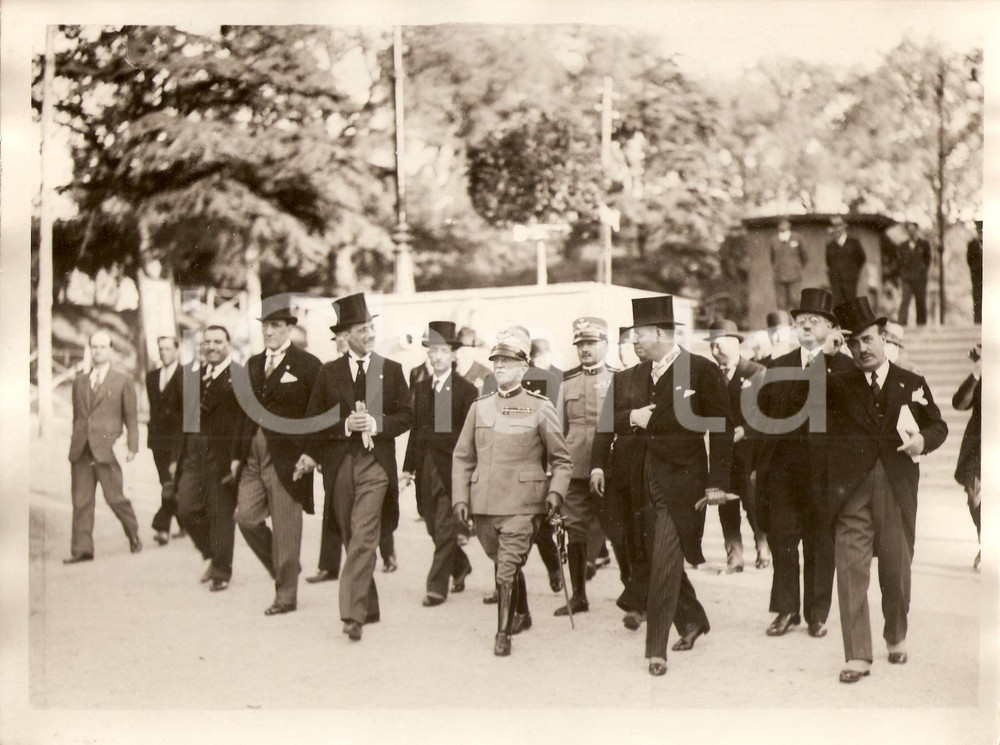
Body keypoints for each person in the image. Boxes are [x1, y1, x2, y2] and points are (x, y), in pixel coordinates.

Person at [608, 295, 733, 676]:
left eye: (639, 334)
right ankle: (693, 620)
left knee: (662, 558)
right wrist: (632, 416)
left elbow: (722, 429)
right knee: (650, 556)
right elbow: (609, 422)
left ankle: (655, 650)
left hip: (682, 484)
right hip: (637, 482)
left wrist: (717, 484)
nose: (634, 342)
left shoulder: (701, 370)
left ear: (662, 333)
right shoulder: (634, 375)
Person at [827, 296, 948, 683]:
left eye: (867, 340)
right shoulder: (836, 384)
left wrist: (922, 442)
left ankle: (895, 635)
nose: (861, 349)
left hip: (895, 490)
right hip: (851, 492)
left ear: (883, 338)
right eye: (853, 343)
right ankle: (857, 655)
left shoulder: (910, 382)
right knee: (850, 572)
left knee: (896, 573)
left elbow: (938, 426)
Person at [299, 293, 413, 642]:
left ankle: (351, 614)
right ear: (344, 336)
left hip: (376, 466)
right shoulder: (327, 372)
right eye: (362, 329)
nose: (370, 334)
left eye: (371, 327)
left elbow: (408, 415)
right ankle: (369, 605)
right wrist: (345, 426)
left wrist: (375, 424)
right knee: (351, 535)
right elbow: (312, 420)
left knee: (363, 534)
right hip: (339, 465)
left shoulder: (390, 370)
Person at [452, 328, 572, 657]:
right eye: (497, 361)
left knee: (506, 566)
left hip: (523, 503)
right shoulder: (480, 407)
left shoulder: (539, 406)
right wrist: (460, 498)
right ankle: (522, 612)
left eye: (508, 361)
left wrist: (556, 493)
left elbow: (561, 459)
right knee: (501, 561)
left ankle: (502, 634)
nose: (501, 365)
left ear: (523, 368)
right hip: (484, 504)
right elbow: (463, 457)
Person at [752, 288, 855, 639]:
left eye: (814, 320)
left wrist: (824, 361)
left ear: (831, 327)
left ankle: (816, 613)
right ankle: (785, 610)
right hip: (783, 469)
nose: (806, 326)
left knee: (818, 542)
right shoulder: (779, 365)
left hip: (824, 472)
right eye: (801, 321)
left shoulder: (845, 365)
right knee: (782, 538)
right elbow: (766, 416)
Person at [230, 305, 322, 615]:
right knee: (246, 518)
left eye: (276, 326)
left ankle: (286, 596)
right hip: (252, 457)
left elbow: (318, 415)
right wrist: (235, 456)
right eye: (265, 326)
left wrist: (312, 454)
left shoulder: (308, 365)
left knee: (285, 530)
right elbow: (241, 415)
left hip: (288, 459)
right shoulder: (253, 365)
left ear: (289, 328)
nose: (268, 332)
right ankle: (286, 571)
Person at [400, 321, 478, 607]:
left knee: (445, 527)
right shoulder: (420, 388)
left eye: (443, 351)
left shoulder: (465, 390)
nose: (437, 357)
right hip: (425, 469)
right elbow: (416, 431)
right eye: (432, 351)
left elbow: (469, 436)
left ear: (454, 354)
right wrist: (408, 468)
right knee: (433, 525)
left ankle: (436, 587)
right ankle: (460, 565)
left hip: (452, 471)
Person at [553, 317, 617, 616]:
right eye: (580, 344)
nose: (585, 350)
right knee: (574, 531)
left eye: (591, 343)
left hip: (612, 467)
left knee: (619, 531)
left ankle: (634, 592)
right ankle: (579, 596)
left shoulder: (620, 378)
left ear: (605, 344)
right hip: (576, 468)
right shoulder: (567, 383)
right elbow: (559, 430)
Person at [173, 325, 243, 591]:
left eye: (217, 341)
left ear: (228, 344)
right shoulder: (193, 376)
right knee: (186, 509)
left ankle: (221, 572)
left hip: (222, 456)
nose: (211, 347)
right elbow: (184, 420)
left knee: (220, 514)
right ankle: (212, 555)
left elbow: (242, 422)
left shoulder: (239, 376)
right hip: (193, 455)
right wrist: (176, 457)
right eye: (207, 342)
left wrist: (237, 457)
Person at [64, 330, 142, 563]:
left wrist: (132, 447)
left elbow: (131, 417)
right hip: (81, 450)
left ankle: (133, 532)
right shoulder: (79, 382)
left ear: (110, 350)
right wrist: (76, 439)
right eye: (94, 347)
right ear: (90, 349)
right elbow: (77, 416)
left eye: (103, 347)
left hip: (107, 449)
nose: (98, 351)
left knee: (115, 497)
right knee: (81, 500)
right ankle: (82, 549)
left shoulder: (122, 381)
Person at [706, 319, 769, 573]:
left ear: (734, 343)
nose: (715, 351)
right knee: (725, 504)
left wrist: (745, 429)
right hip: (722, 453)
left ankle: (763, 546)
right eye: (711, 346)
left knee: (752, 502)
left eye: (719, 345)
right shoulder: (709, 376)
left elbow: (768, 413)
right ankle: (734, 557)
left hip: (750, 452)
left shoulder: (756, 372)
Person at [146, 335, 183, 546]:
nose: (164, 352)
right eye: (161, 349)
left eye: (168, 348)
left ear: (177, 350)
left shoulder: (187, 375)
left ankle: (162, 526)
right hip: (158, 439)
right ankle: (185, 524)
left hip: (179, 439)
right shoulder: (151, 377)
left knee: (172, 481)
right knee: (167, 482)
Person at [952, 343, 981, 570]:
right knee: (975, 496)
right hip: (978, 447)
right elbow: (959, 403)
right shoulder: (981, 374)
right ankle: (987, 542)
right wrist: (978, 371)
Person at [894, 222, 932, 326]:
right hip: (907, 279)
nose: (911, 232)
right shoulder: (903, 246)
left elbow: (928, 260)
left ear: (917, 230)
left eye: (913, 229)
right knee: (905, 301)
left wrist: (922, 270)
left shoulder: (924, 244)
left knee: (920, 302)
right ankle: (901, 325)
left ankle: (921, 326)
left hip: (920, 278)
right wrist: (903, 274)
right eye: (909, 230)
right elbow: (899, 262)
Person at [825, 216, 866, 307]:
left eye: (839, 228)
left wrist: (853, 271)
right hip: (836, 280)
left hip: (850, 279)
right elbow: (828, 262)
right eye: (834, 228)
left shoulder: (854, 242)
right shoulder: (830, 245)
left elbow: (861, 258)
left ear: (843, 228)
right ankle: (839, 322)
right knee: (838, 305)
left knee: (851, 303)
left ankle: (851, 322)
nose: (836, 231)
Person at [770, 218, 807, 311]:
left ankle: (797, 323)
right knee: (781, 303)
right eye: (781, 223)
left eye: (785, 222)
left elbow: (804, 256)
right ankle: (784, 324)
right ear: (778, 226)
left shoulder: (797, 238)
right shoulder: (774, 240)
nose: (783, 225)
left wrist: (796, 267)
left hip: (794, 276)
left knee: (796, 301)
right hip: (779, 276)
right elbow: (772, 259)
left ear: (789, 224)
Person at [967, 221, 983, 324]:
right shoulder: (972, 244)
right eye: (978, 231)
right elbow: (969, 259)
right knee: (977, 298)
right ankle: (977, 322)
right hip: (977, 276)